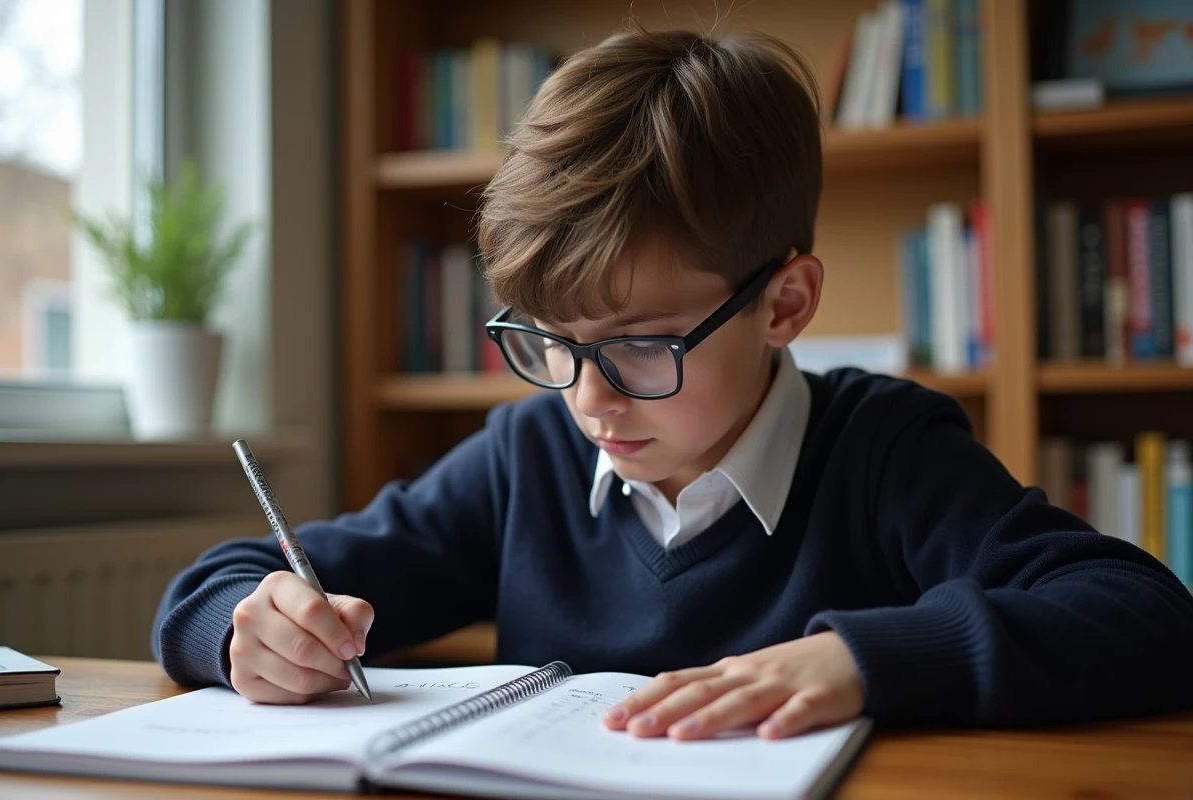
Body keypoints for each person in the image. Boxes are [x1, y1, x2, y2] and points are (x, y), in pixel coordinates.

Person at [153, 24, 1193, 741]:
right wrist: (254, 626)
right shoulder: (530, 459)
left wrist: (859, 660)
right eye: (551, 342)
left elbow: (1144, 612)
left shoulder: (885, 452)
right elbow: (215, 584)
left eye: (644, 345)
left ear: (784, 303)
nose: (589, 398)